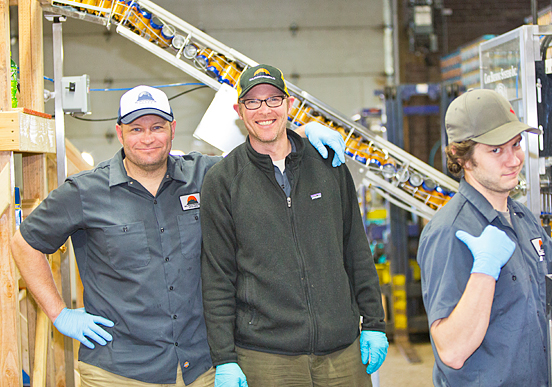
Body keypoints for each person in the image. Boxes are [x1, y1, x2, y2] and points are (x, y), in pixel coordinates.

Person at [10, 84, 346, 387]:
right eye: (136, 129)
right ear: (119, 133)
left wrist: (301, 131)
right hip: (119, 371)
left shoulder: (205, 175)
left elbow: (260, 152)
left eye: (157, 127)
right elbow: (24, 242)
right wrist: (59, 313)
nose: (148, 138)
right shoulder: (85, 191)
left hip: (201, 366)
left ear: (172, 129)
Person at [200, 64, 389, 387]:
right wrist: (225, 359)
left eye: (273, 99)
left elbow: (356, 248)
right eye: (253, 102)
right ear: (239, 111)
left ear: (289, 105)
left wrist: (374, 322)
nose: (264, 110)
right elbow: (218, 276)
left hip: (341, 351)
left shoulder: (328, 164)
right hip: (267, 357)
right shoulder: (222, 180)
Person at [417, 88, 552, 386]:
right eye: (496, 150)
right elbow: (452, 351)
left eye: (516, 145)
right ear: (461, 156)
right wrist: (484, 271)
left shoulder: (523, 219)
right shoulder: (449, 231)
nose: (514, 160)